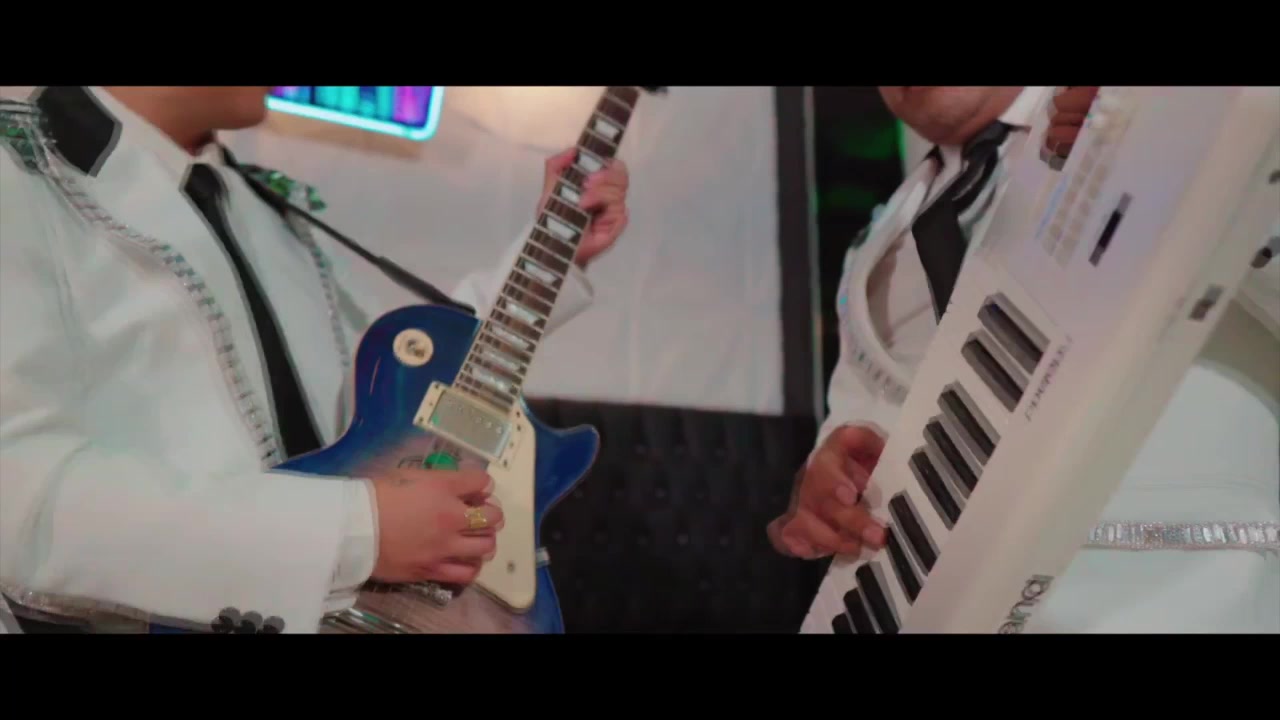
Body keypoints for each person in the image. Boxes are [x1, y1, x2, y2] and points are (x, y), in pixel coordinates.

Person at [0, 86, 632, 633]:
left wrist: (549, 254)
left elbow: (399, 391)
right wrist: (362, 532)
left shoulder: (264, 204)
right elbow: (19, 494)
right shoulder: (17, 177)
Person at [770, 86, 1280, 633]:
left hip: (1186, 588)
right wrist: (827, 487)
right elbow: (856, 422)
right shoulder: (873, 247)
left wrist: (1195, 160)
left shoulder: (1172, 104)